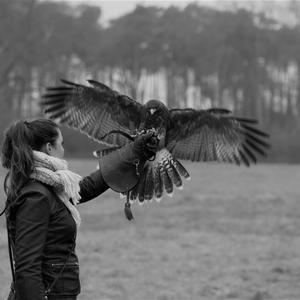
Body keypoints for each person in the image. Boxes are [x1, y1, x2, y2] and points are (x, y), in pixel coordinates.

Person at [1, 118, 158, 300]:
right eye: (61, 143)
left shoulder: (49, 186)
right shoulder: (36, 196)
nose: (64, 149)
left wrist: (133, 153)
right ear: (49, 147)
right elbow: (27, 268)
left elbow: (86, 188)